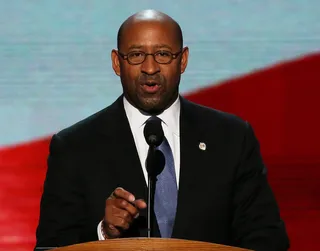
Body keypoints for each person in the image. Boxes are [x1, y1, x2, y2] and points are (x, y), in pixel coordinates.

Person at [35, 9, 289, 251]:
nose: (150, 68)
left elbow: (267, 239)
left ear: (183, 60)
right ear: (116, 62)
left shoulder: (231, 138)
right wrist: (104, 233)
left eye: (163, 54)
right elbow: (51, 246)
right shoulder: (75, 148)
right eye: (136, 55)